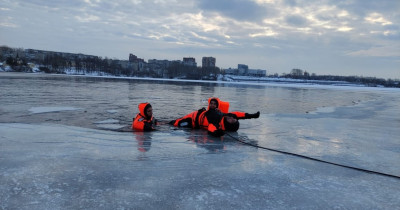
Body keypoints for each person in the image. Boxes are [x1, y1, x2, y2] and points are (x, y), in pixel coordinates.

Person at [170, 97, 260, 137]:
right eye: (234, 119)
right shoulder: (225, 116)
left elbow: (211, 129)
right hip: (197, 113)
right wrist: (252, 115)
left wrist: (217, 133)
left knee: (177, 123)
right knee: (176, 121)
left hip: (192, 121)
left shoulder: (216, 123)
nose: (232, 118)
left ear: (229, 125)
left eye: (232, 120)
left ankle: (162, 123)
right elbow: (238, 114)